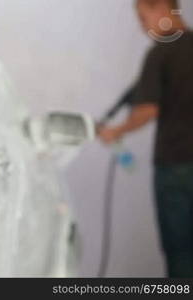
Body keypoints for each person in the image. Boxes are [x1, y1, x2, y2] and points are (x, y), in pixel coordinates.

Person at [99, 0, 193, 278]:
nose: (142, 27)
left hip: (175, 168)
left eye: (142, 18)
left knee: (181, 254)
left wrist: (117, 131)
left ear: (162, 9)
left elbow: (147, 110)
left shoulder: (161, 54)